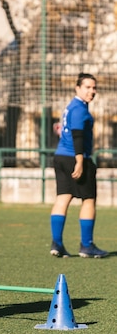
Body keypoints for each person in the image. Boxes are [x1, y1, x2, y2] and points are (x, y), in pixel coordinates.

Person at [50, 72, 107, 258]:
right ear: (77, 88)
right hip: (75, 157)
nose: (92, 91)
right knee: (88, 199)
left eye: (94, 87)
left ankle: (57, 244)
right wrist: (80, 160)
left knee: (63, 197)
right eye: (88, 87)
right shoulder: (80, 109)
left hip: (60, 156)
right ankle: (87, 246)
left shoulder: (70, 107)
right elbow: (77, 135)